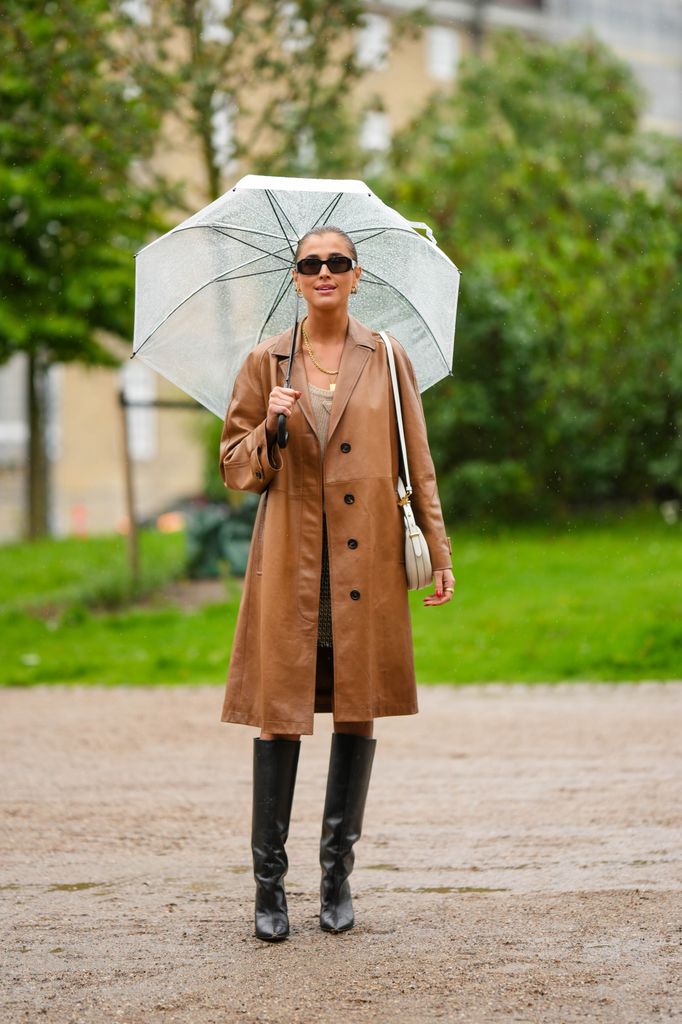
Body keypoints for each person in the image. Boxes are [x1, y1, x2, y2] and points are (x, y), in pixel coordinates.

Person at [219, 225, 455, 942]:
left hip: (367, 566)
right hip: (291, 567)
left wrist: (439, 553)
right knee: (278, 713)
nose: (325, 272)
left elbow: (418, 460)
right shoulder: (267, 361)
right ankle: (269, 889)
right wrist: (271, 427)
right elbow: (234, 467)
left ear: (357, 276)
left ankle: (336, 878)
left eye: (338, 263)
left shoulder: (387, 359)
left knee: (358, 708)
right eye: (311, 263)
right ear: (295, 278)